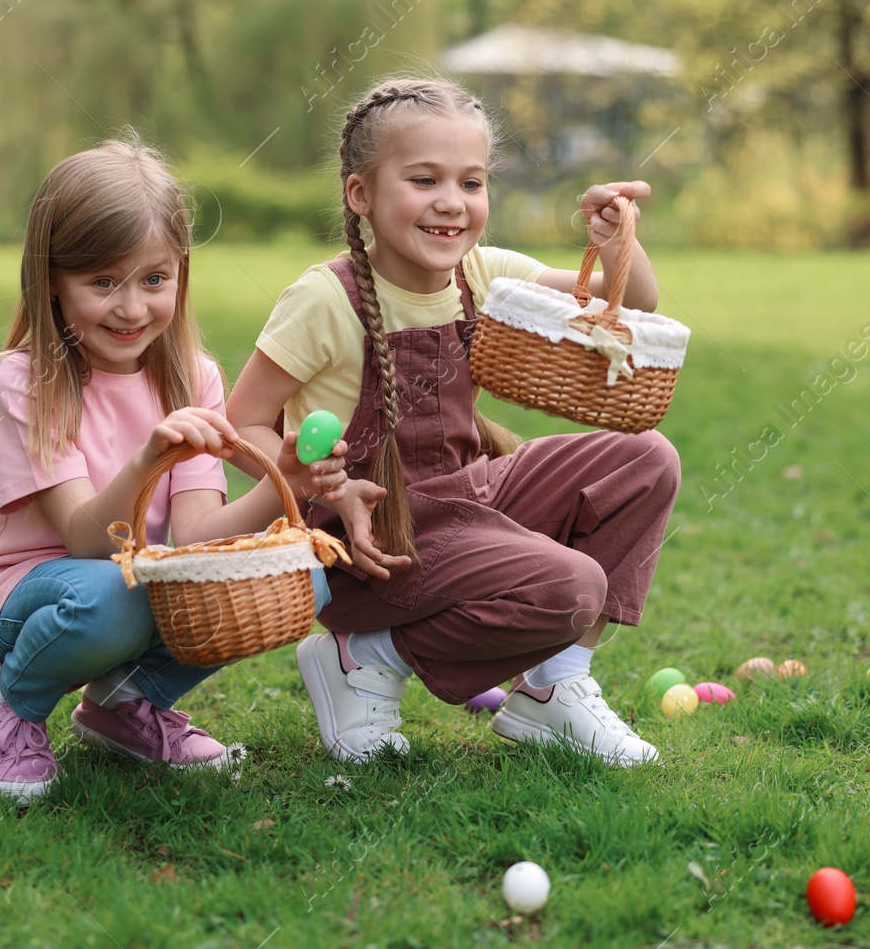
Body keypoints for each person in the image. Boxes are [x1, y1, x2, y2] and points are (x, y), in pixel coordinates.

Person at [225, 78, 682, 768]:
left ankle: (550, 688)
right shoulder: (324, 299)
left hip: (471, 495)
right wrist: (315, 484)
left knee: (645, 459)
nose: (451, 201)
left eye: (471, 182)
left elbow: (632, 306)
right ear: (361, 195)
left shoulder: (481, 274)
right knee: (571, 587)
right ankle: (365, 653)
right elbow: (242, 424)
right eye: (424, 178)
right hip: (373, 537)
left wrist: (617, 243)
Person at [0, 138, 347, 801]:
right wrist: (148, 459)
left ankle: (125, 704)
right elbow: (84, 539)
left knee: (305, 573)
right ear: (51, 278)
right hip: (29, 597)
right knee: (117, 590)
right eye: (102, 282)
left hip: (135, 588)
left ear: (180, 276)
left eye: (153, 280)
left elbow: (195, 537)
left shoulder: (195, 376)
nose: (132, 309)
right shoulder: (26, 382)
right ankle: (10, 705)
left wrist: (287, 490)